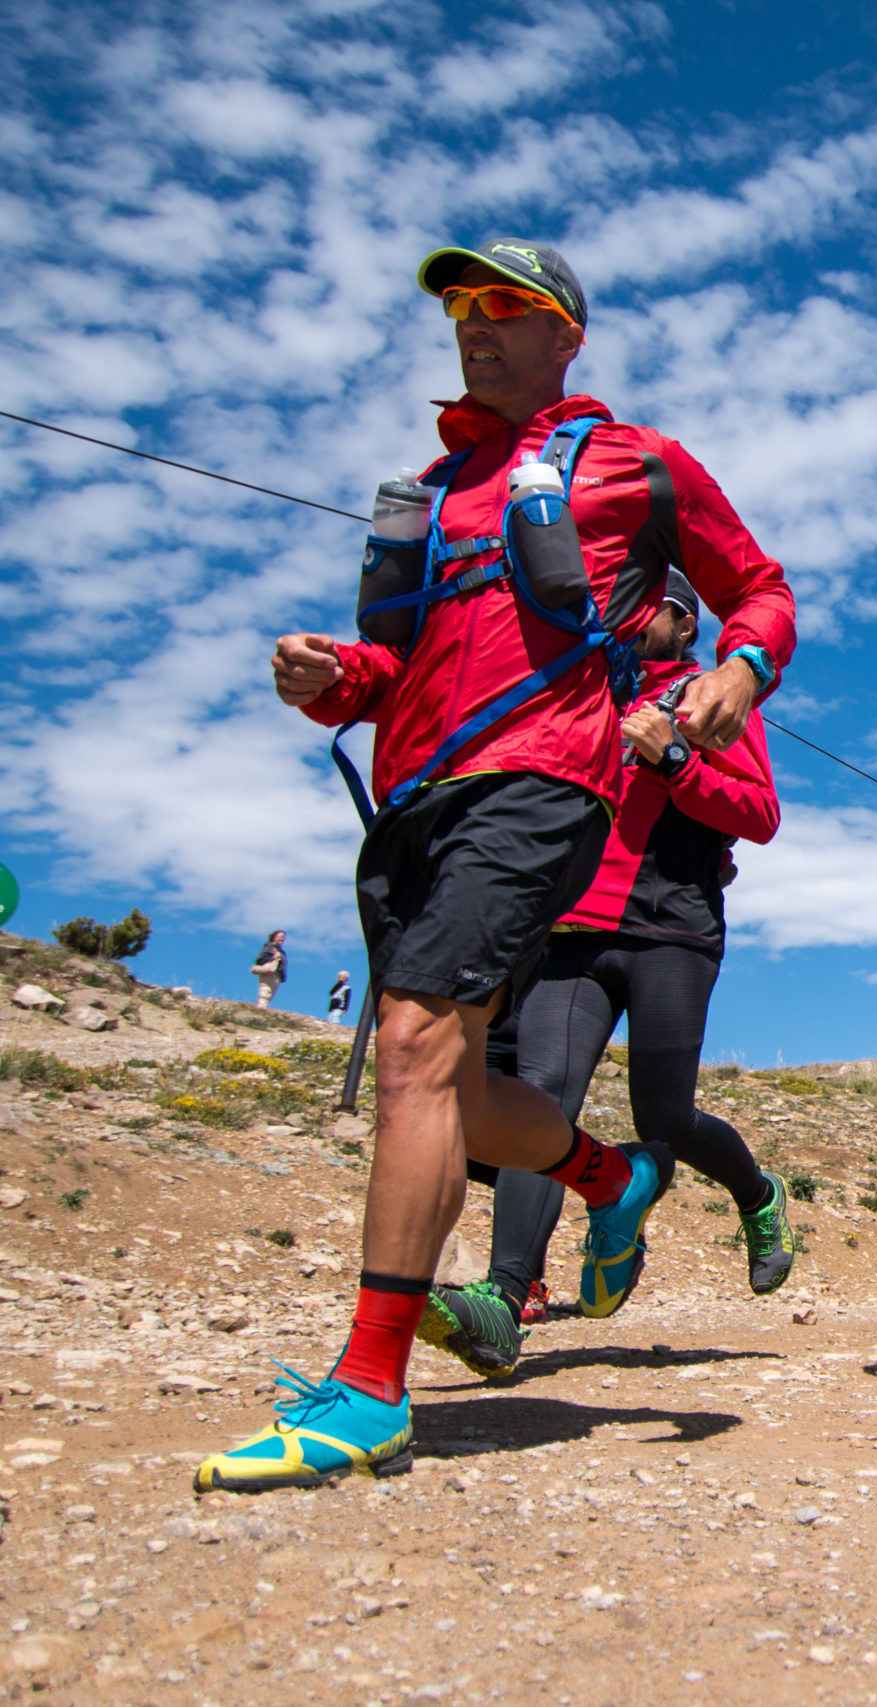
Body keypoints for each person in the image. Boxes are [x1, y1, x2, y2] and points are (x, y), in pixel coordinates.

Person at [205, 236, 795, 1493]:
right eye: (461, 305)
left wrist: (736, 677)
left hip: (547, 779)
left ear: (565, 331)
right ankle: (610, 1174)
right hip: (418, 792)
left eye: (505, 304)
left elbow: (760, 589)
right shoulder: (432, 488)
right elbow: (401, 664)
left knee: (415, 1043)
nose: (475, 322)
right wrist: (335, 680)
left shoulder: (636, 461)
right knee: (454, 1077)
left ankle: (367, 1388)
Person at [415, 569, 792, 1381]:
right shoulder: (586, 691)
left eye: (638, 602)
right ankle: (504, 1296)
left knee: (667, 1114)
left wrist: (675, 759)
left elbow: (759, 815)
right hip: (574, 930)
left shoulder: (712, 696)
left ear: (682, 623)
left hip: (673, 931)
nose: (616, 612)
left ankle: (757, 1194)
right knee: (541, 1095)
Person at [251, 931, 288, 1009]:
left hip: (276, 975)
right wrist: (273, 958)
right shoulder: (269, 946)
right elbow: (260, 959)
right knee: (265, 993)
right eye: (280, 936)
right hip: (269, 973)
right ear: (274, 937)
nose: (282, 938)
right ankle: (260, 1010)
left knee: (269, 995)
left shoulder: (281, 951)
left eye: (283, 937)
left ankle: (261, 1009)